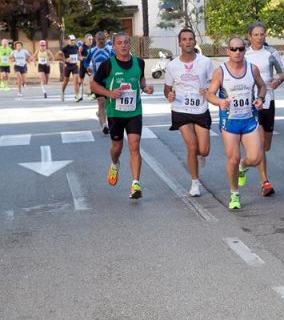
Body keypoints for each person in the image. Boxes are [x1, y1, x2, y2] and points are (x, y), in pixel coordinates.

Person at [90, 32, 154, 199]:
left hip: (134, 111)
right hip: (115, 113)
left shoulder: (139, 62)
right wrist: (109, 93)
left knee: (134, 145)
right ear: (114, 46)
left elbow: (141, 81)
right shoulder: (107, 65)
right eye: (120, 43)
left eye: (126, 42)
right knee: (117, 148)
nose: (124, 45)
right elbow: (94, 85)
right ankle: (115, 163)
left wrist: (146, 88)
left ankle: (135, 184)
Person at [207, 37, 267, 210]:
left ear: (245, 50)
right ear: (228, 51)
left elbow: (262, 86)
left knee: (255, 158)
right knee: (232, 159)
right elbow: (210, 93)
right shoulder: (221, 72)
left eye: (240, 49)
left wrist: (261, 99)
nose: (237, 52)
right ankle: (234, 193)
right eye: (233, 49)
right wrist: (219, 102)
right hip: (230, 121)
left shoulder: (252, 69)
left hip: (249, 119)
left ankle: (244, 165)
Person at [164, 29, 215, 197]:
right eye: (184, 39)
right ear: (179, 43)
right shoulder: (172, 66)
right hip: (180, 109)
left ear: (195, 42)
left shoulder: (206, 62)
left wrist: (208, 90)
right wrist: (169, 95)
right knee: (192, 146)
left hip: (200, 108)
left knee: (204, 150)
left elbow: (214, 84)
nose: (188, 42)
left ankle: (201, 155)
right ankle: (195, 183)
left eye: (191, 39)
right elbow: (167, 88)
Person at [242, 22, 284, 197]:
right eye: (256, 35)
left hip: (268, 100)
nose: (260, 38)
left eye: (262, 34)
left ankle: (243, 164)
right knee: (259, 144)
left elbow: (283, 73)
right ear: (249, 36)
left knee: (266, 146)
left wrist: (277, 81)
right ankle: (265, 182)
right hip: (250, 101)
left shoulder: (271, 53)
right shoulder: (243, 54)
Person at [87, 31, 114, 134]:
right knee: (101, 101)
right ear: (95, 39)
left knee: (108, 103)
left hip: (109, 80)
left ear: (105, 39)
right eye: (99, 39)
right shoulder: (92, 51)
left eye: (103, 39)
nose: (101, 41)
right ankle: (104, 125)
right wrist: (88, 68)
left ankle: (100, 114)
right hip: (97, 81)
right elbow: (85, 62)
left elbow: (116, 60)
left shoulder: (110, 50)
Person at [56, 34, 81, 102]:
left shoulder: (76, 47)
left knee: (76, 81)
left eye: (73, 40)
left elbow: (79, 54)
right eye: (71, 40)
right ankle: (62, 92)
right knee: (65, 81)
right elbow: (57, 55)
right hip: (67, 66)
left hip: (75, 66)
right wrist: (65, 60)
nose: (73, 41)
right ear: (68, 41)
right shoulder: (65, 48)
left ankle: (77, 96)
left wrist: (80, 58)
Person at [77, 33, 94, 101]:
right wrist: (80, 57)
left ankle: (92, 95)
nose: (91, 41)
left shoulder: (93, 47)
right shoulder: (82, 47)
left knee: (91, 79)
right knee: (81, 80)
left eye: (92, 39)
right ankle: (78, 95)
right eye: (89, 39)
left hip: (90, 65)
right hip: (83, 65)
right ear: (85, 40)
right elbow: (77, 53)